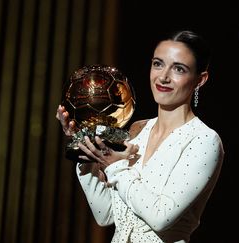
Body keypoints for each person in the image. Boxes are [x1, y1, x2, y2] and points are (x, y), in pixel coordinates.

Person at [56, 30, 224, 243]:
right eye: (158, 64)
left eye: (178, 69)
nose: (163, 77)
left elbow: (161, 217)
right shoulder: (137, 131)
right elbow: (106, 214)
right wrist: (84, 146)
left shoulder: (204, 140)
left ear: (200, 80)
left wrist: (115, 166)